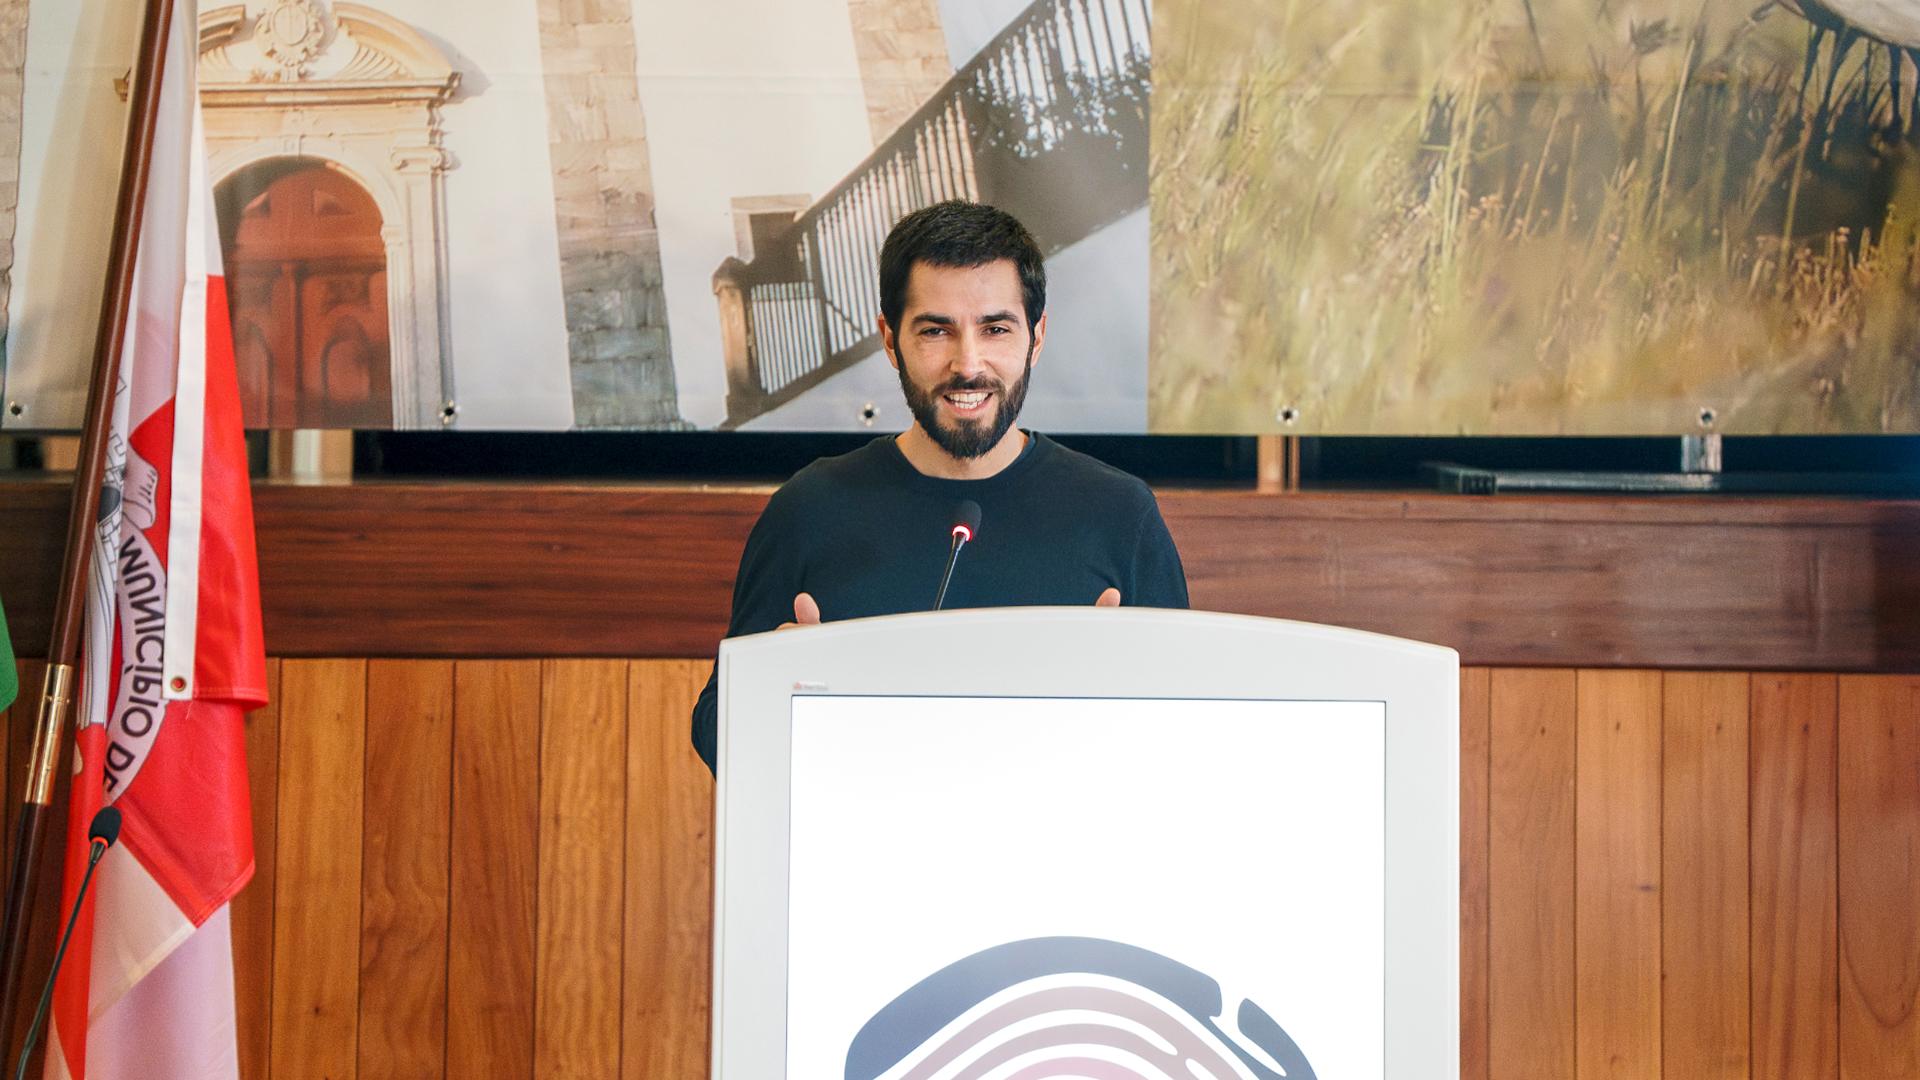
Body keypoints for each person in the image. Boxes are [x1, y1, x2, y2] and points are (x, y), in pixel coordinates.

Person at [690, 200, 1187, 771]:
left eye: (995, 329)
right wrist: (774, 689)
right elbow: (716, 730)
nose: (967, 364)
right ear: (890, 339)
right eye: (935, 331)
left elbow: (1193, 731)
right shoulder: (808, 509)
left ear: (1037, 337)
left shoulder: (1120, 514)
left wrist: (1130, 695)